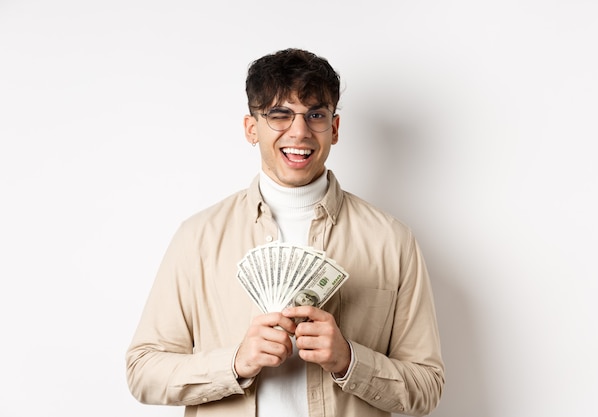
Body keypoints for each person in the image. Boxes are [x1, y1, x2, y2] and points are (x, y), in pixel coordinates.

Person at [126, 48, 444, 417]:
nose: (300, 131)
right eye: (280, 115)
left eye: (315, 115)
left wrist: (349, 360)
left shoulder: (392, 240)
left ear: (334, 128)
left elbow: (428, 385)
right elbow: (143, 371)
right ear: (251, 128)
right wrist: (234, 363)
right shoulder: (198, 237)